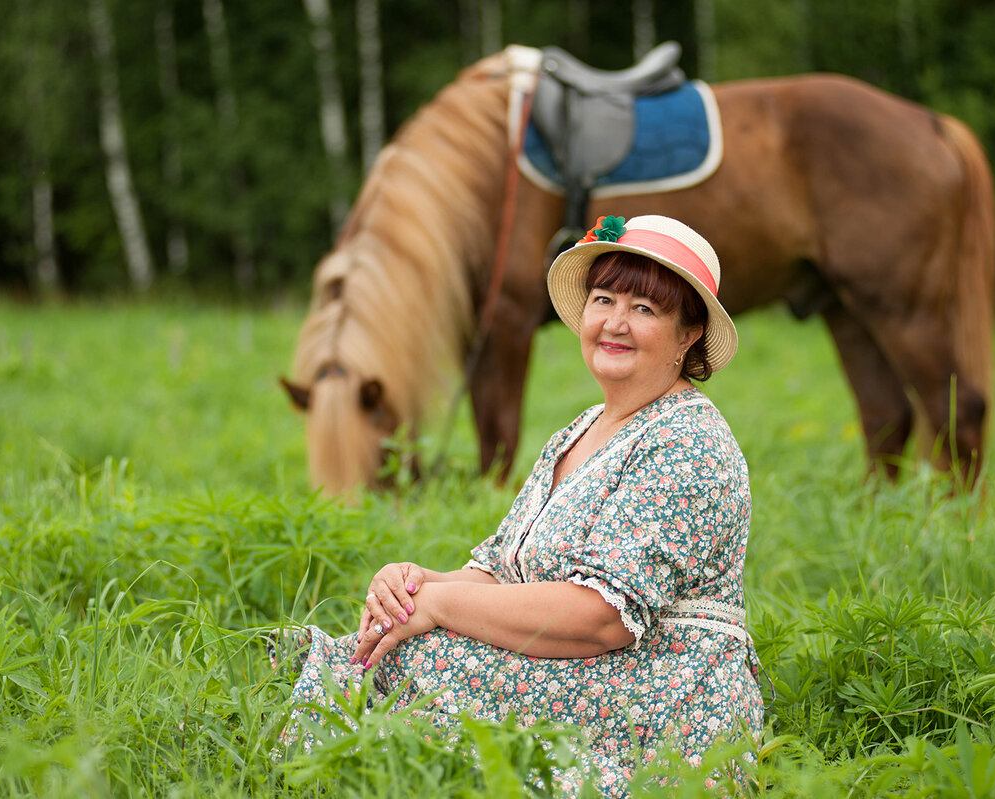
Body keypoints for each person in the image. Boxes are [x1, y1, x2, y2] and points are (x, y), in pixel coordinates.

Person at [270, 214, 764, 796]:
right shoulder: (583, 430)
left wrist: (440, 606)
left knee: (418, 662)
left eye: (645, 309)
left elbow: (603, 617)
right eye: (603, 299)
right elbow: (498, 572)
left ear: (688, 336)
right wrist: (411, 585)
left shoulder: (688, 442)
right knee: (389, 646)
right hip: (590, 670)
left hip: (660, 696)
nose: (614, 323)